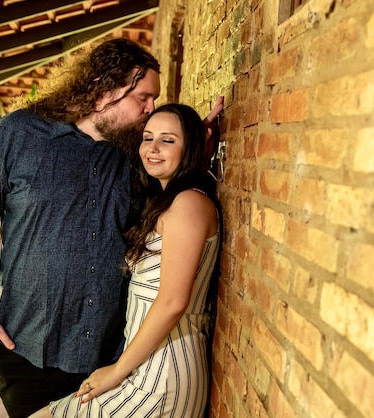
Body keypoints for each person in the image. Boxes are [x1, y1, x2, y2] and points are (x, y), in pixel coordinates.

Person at [0, 38, 223, 418]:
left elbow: (168, 211)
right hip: (25, 350)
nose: (151, 109)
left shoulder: (134, 156)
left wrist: (191, 152)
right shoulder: (17, 134)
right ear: (104, 87)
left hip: (111, 356)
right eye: (143, 97)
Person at [30, 103, 221, 418]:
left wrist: (116, 370)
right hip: (145, 367)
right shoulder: (169, 201)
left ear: (190, 148)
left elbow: (173, 301)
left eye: (168, 140)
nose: (153, 148)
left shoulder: (189, 204)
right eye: (148, 138)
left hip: (161, 377)